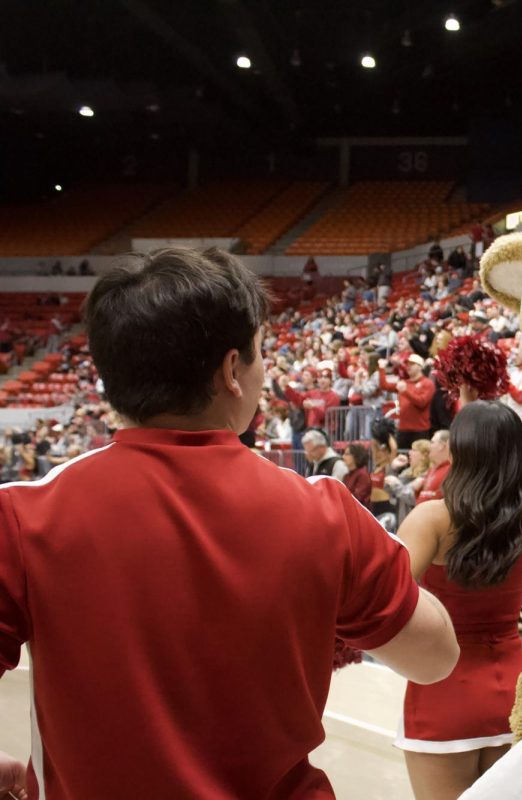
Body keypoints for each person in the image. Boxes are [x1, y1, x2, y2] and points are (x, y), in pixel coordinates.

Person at [0, 247, 459, 798]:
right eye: (260, 353)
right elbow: (436, 657)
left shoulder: (24, 515)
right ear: (231, 371)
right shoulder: (323, 510)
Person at [394, 402, 522, 800]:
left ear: (459, 449)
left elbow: (386, 598)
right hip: (514, 686)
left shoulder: (432, 519)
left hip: (444, 691)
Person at [381, 354, 436, 449]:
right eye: (407, 364)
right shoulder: (404, 383)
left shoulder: (428, 383)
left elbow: (422, 402)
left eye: (412, 364)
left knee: (420, 459)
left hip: (420, 430)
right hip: (403, 429)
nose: (408, 366)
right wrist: (381, 369)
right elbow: (384, 385)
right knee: (401, 458)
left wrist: (405, 391)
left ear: (420, 367)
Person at [417, 429, 451, 504]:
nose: (429, 446)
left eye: (432, 442)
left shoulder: (451, 471)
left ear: (442, 446)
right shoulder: (432, 470)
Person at [342, 442, 372, 508]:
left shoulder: (362, 474)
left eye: (347, 454)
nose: (343, 457)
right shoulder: (346, 476)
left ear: (356, 456)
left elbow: (358, 498)